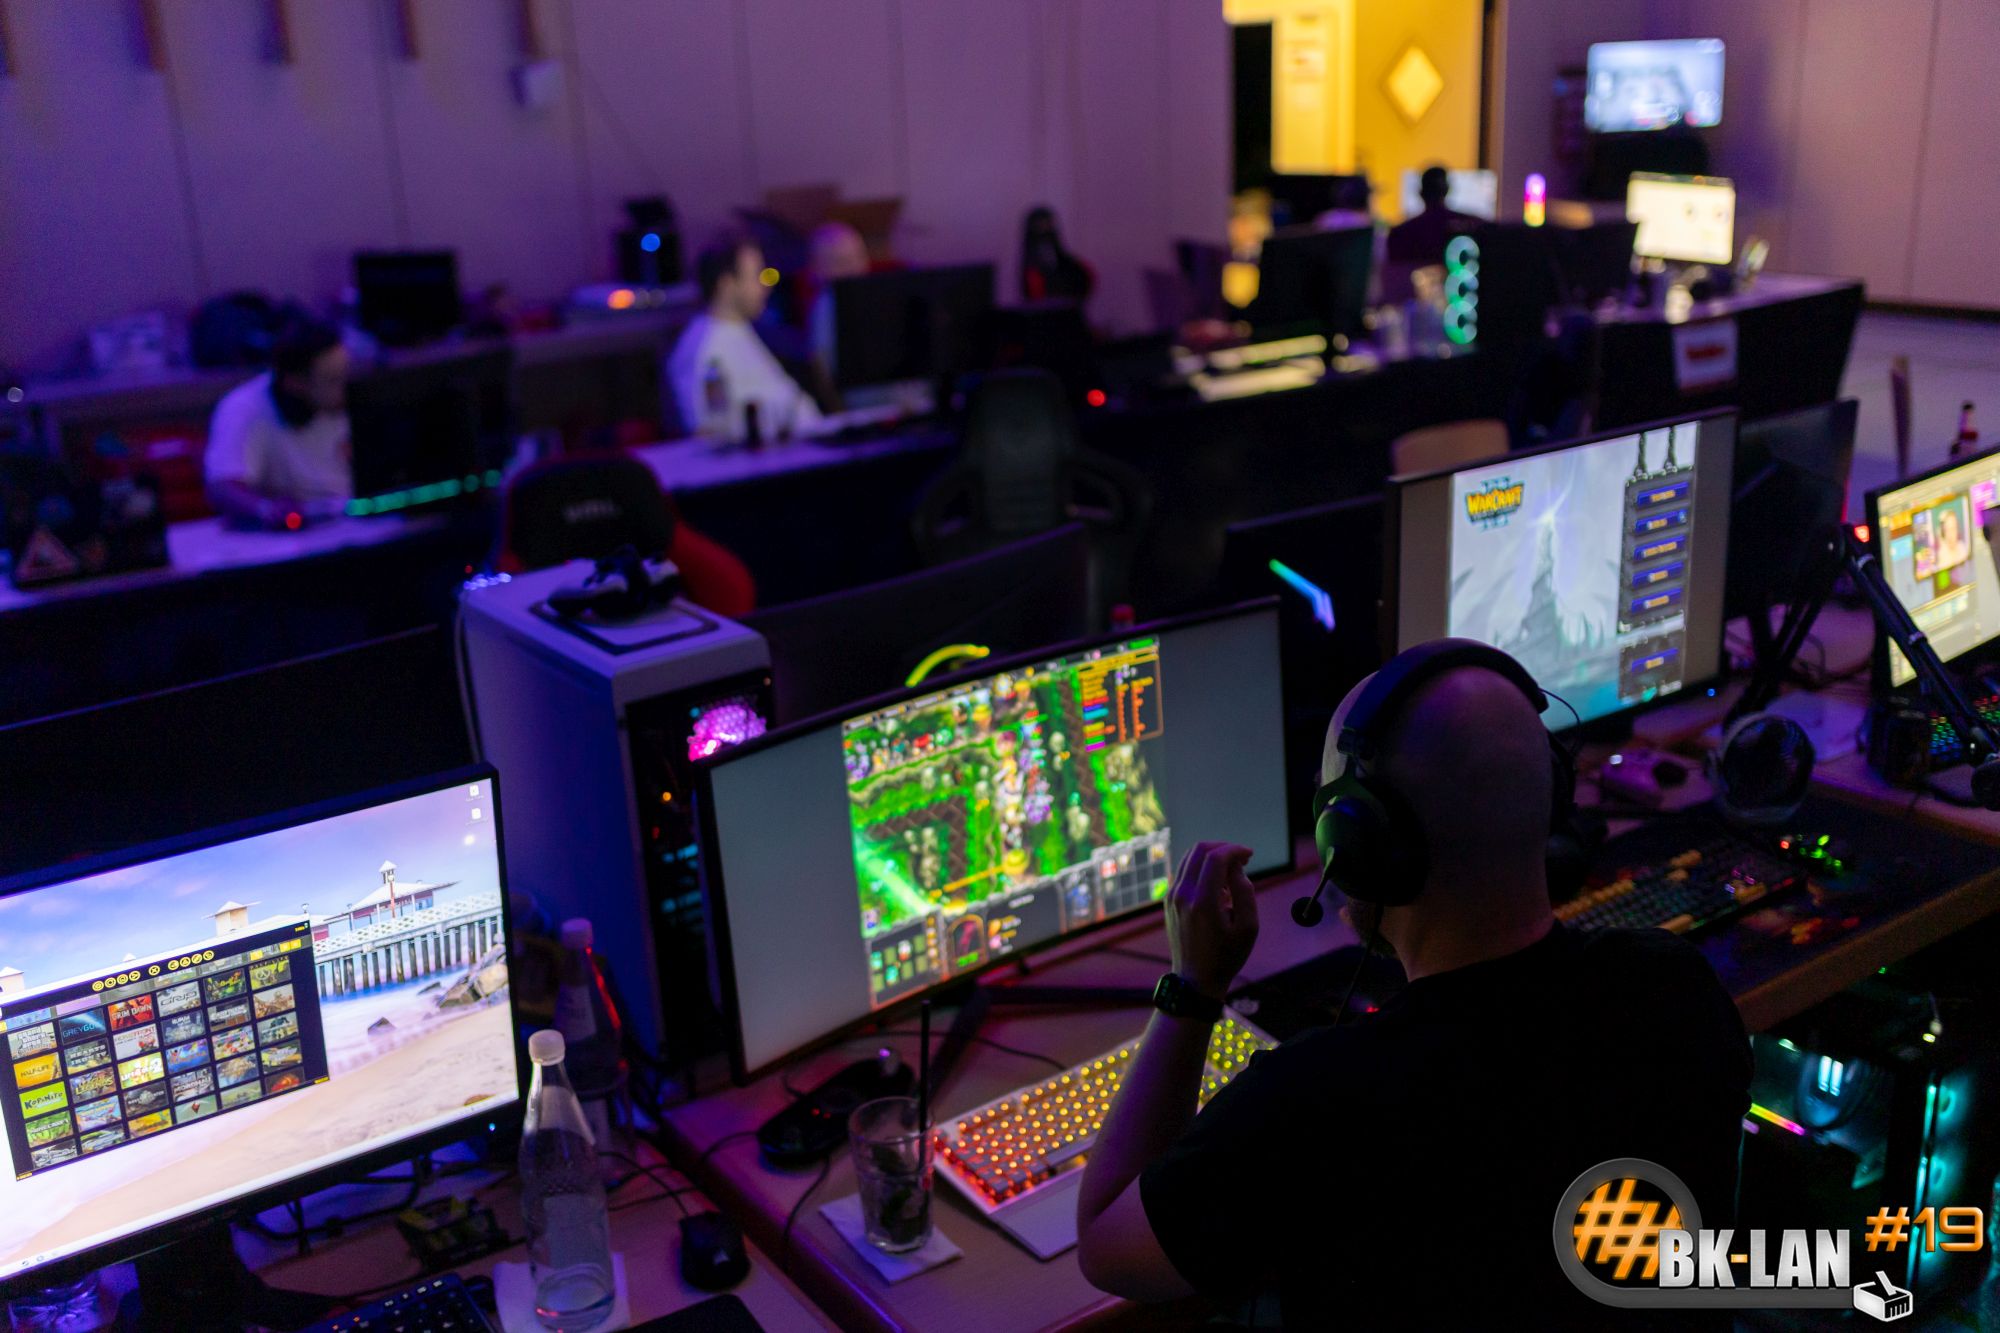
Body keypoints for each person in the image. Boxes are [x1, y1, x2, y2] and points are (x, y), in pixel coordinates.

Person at [1075, 643, 1750, 1329]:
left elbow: (1105, 1246)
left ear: (1358, 842)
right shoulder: (1675, 987)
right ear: (1548, 800)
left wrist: (1192, 989)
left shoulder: (1320, 1101)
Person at [666, 232, 823, 443]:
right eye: (757, 276)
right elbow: (709, 433)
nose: (766, 286)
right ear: (727, 284)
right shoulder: (703, 349)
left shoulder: (740, 328)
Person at [204, 315, 352, 528]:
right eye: (333, 380)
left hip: (359, 521)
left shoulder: (355, 397)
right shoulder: (244, 407)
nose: (346, 388)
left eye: (345, 374)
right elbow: (223, 488)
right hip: (300, 533)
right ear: (295, 383)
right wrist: (266, 509)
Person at [806, 221, 872, 403]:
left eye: (858, 257)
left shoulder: (875, 296)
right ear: (818, 269)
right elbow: (823, 375)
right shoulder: (825, 309)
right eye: (841, 263)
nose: (854, 268)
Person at [1385, 164, 1480, 271]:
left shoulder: (1401, 233)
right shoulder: (1471, 225)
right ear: (1447, 190)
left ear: (1421, 193)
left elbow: (1395, 274)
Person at [1020, 206, 1094, 303]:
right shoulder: (1032, 246)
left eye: (1047, 222)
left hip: (1059, 280)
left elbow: (1061, 257)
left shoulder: (1052, 241)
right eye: (1041, 222)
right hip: (1044, 283)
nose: (1044, 226)